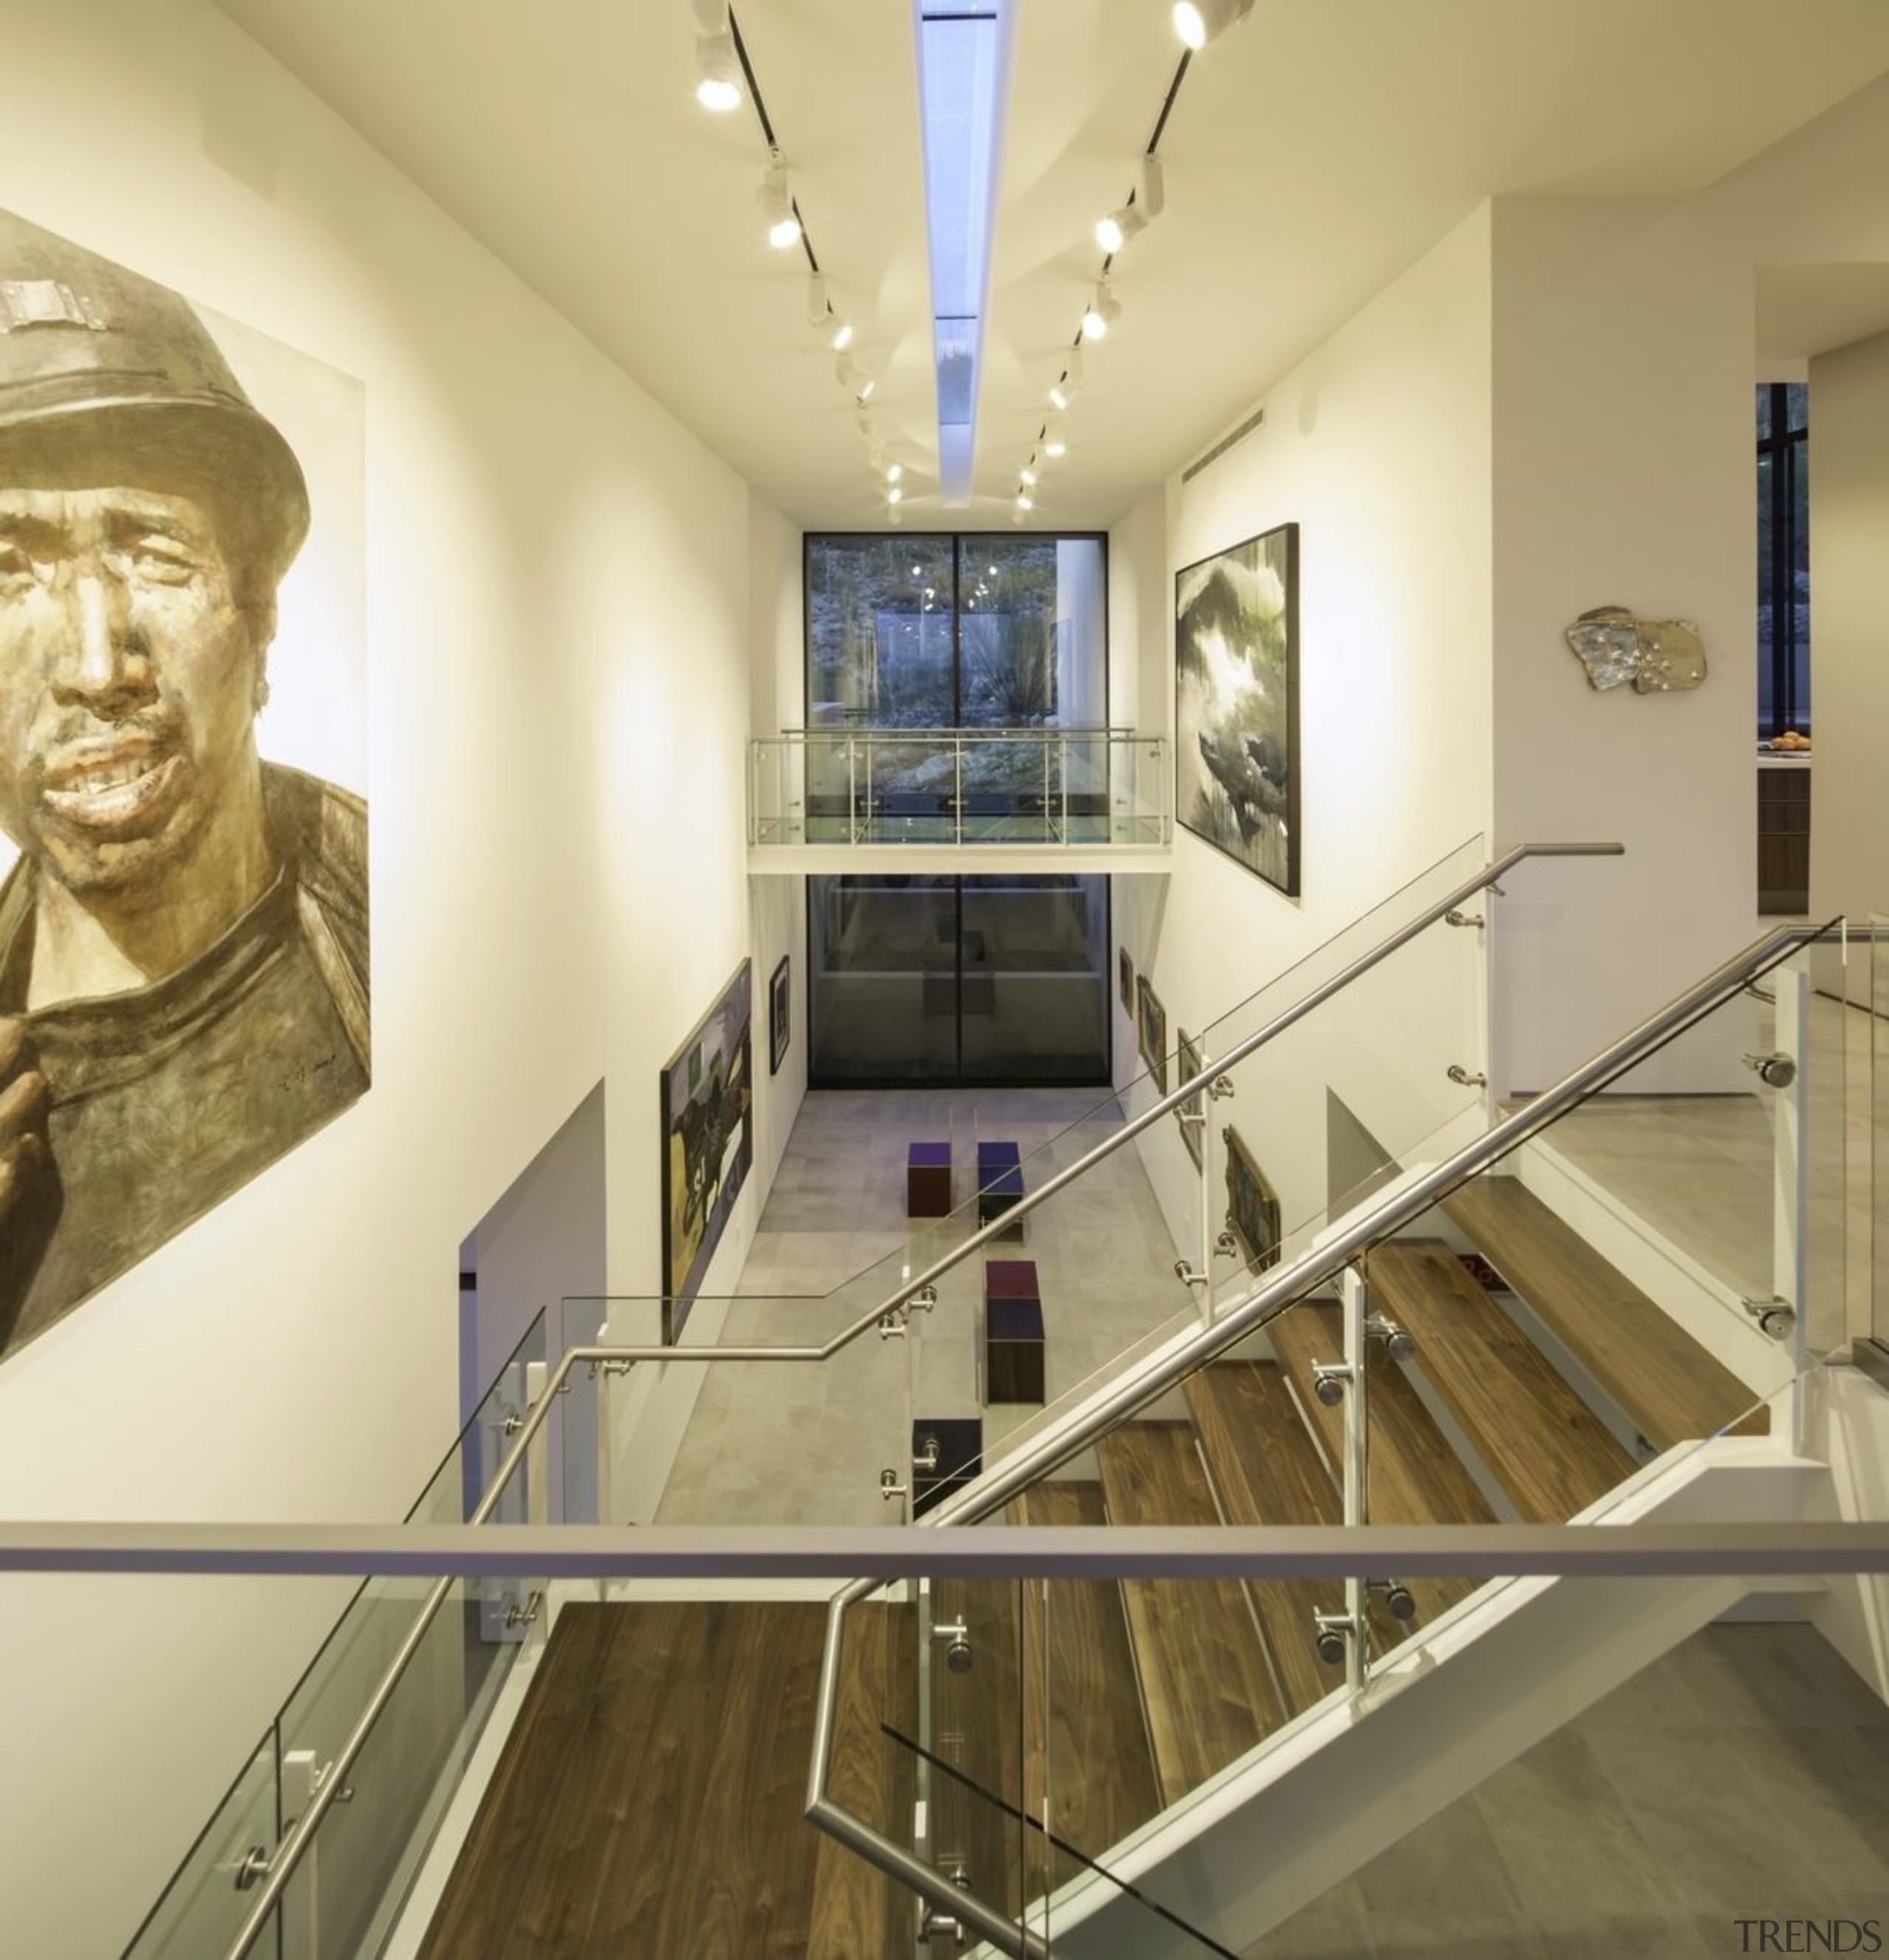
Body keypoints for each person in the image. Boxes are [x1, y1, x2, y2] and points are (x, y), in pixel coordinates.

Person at [0, 208, 368, 1357]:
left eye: (156, 554)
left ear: (257, 621)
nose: (99, 666)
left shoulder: (381, 911)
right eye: (7, 573)